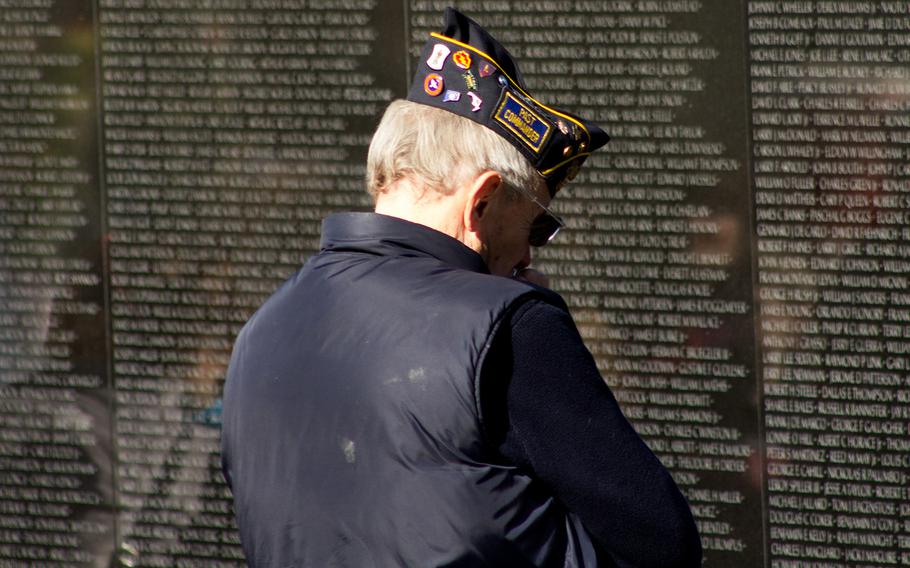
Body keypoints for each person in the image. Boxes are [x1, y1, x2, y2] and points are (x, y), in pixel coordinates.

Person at [221, 8, 702, 567]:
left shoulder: (261, 329)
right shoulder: (513, 325)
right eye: (535, 226)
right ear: (482, 201)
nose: (528, 254)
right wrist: (519, 311)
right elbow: (662, 542)